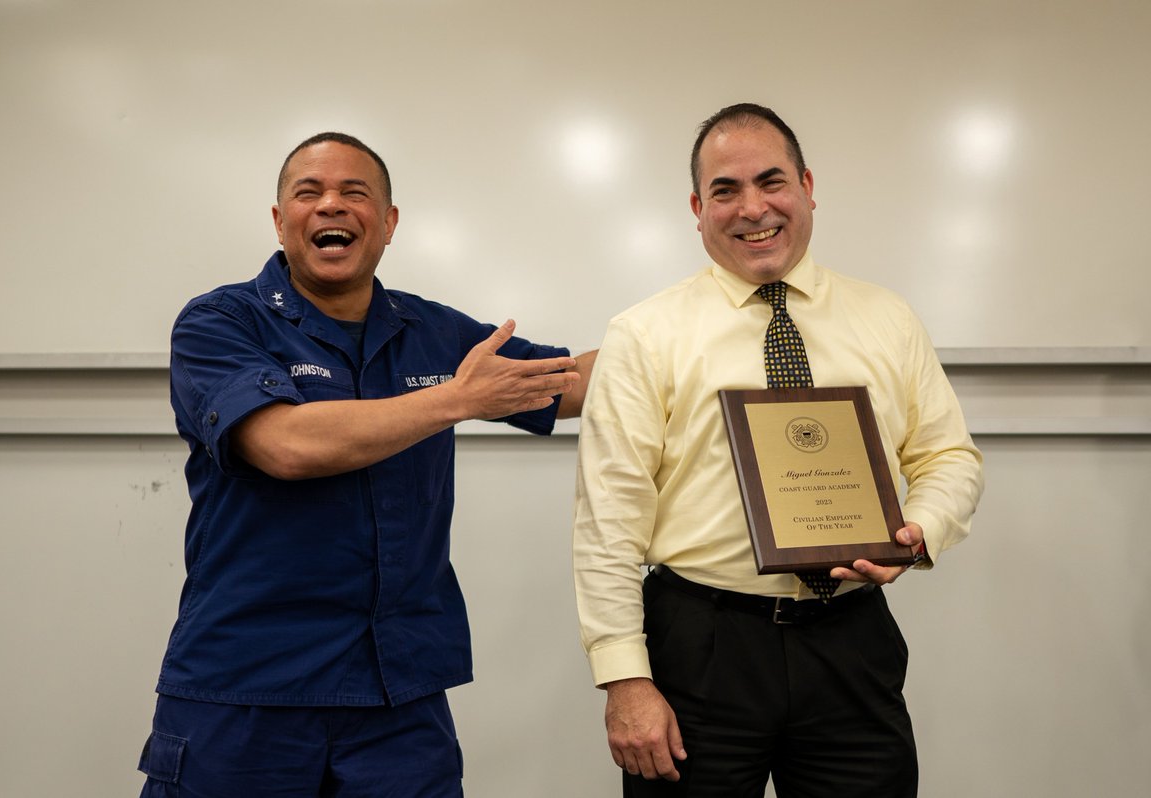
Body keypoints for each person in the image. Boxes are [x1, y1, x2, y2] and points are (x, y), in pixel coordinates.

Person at [137, 132, 595, 798]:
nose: (332, 206)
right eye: (309, 192)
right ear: (278, 219)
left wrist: (687, 334)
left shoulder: (432, 332)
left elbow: (570, 382)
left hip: (397, 700)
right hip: (246, 689)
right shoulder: (219, 322)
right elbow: (286, 445)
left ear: (388, 224)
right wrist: (456, 399)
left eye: (355, 193)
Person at [572, 103, 984, 797]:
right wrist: (625, 679)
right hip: (701, 646)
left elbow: (949, 457)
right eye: (725, 191)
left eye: (771, 182)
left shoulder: (887, 318)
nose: (753, 208)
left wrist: (920, 534)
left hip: (850, 640)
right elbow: (607, 522)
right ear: (698, 209)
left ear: (807, 186)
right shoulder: (644, 334)